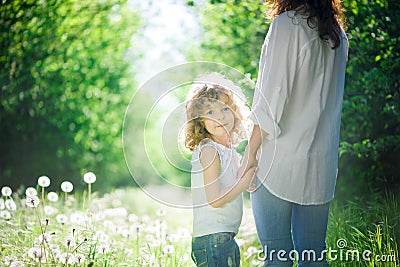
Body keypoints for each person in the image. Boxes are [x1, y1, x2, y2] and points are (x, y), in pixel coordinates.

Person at [238, 0, 348, 266]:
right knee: (314, 256)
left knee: (278, 256)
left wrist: (250, 154)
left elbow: (271, 102)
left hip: (280, 162)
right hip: (319, 166)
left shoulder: (288, 25)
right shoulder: (337, 35)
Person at [185, 82, 256, 267]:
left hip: (223, 236)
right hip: (213, 239)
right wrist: (245, 180)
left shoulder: (228, 151)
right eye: (210, 112)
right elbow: (215, 200)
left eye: (225, 108)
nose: (220, 117)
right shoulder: (209, 150)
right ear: (200, 121)